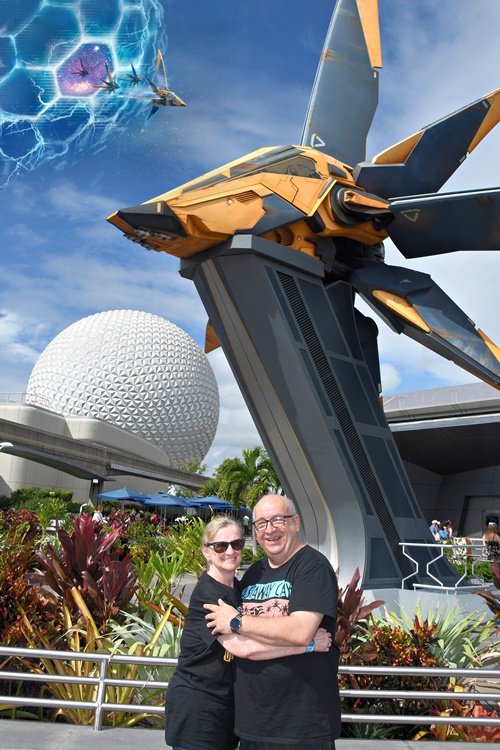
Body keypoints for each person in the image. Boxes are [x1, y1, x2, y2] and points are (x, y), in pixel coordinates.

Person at [165, 515, 331, 750]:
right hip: (199, 710)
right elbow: (245, 649)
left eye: (236, 544)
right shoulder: (208, 596)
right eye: (220, 546)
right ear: (206, 551)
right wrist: (308, 644)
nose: (230, 551)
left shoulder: (239, 588)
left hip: (226, 711)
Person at [205, 494, 341, 750]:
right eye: (261, 523)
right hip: (254, 724)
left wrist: (237, 622)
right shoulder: (254, 573)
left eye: (278, 520)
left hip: (300, 727)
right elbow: (243, 645)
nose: (270, 530)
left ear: (295, 523)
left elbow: (301, 631)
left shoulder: (313, 567)